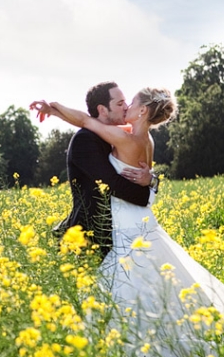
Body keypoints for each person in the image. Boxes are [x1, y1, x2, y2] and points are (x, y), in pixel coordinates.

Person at [30, 87, 224, 357]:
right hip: (141, 221)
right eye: (120, 102)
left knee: (129, 290)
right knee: (156, 289)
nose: (126, 106)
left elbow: (87, 122)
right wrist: (54, 109)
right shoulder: (142, 137)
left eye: (130, 102)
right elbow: (86, 120)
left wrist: (53, 106)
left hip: (127, 223)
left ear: (143, 110)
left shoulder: (125, 137)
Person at [47, 82, 155, 261]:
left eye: (126, 103)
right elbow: (111, 184)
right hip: (91, 236)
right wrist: (147, 195)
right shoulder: (85, 140)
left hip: (115, 232)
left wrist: (151, 180)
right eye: (120, 104)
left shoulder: (119, 136)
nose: (126, 108)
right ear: (103, 110)